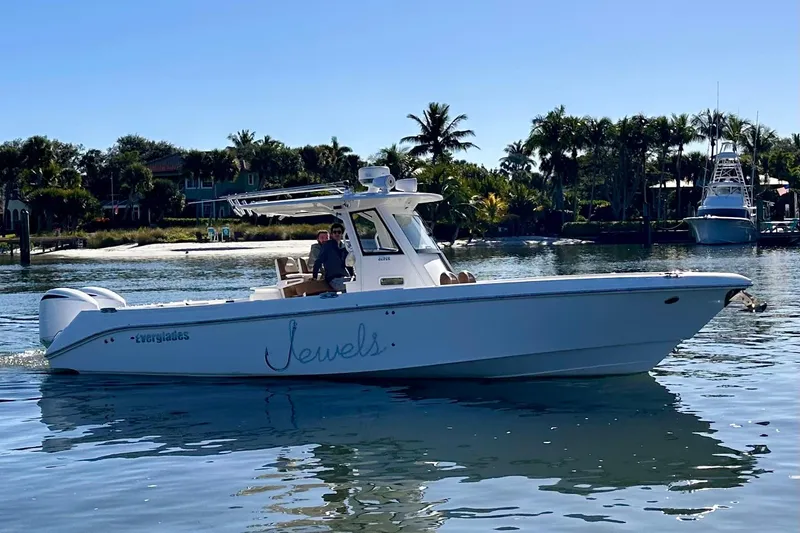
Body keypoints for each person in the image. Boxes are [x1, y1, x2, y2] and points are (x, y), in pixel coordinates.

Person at [312, 222, 350, 292]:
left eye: (339, 232)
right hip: (333, 279)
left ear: (342, 234)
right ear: (331, 234)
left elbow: (349, 264)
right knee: (353, 284)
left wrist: (353, 275)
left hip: (344, 277)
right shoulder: (327, 246)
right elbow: (318, 261)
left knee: (357, 281)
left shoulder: (344, 247)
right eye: (334, 232)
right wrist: (314, 277)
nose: (337, 234)